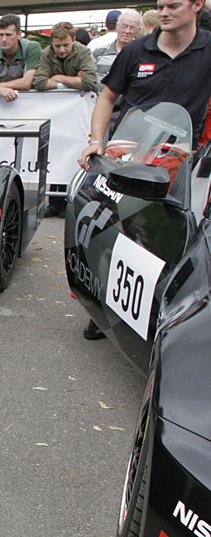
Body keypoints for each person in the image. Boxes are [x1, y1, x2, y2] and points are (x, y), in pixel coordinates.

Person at [76, 0, 211, 339]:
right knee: (119, 231)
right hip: (129, 157)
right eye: (160, 5)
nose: (164, 12)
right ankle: (103, 308)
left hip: (179, 162)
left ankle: (164, 314)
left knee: (167, 237)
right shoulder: (137, 50)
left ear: (197, 6)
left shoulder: (208, 48)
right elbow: (106, 97)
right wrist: (97, 140)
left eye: (174, 5)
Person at [34, 22, 99, 92]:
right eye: (57, 46)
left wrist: (58, 78)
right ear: (52, 42)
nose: (62, 50)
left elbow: (89, 83)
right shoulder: (47, 54)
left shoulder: (83, 52)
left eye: (66, 45)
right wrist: (74, 81)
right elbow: (39, 83)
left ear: (73, 40)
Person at [92, 10, 142, 85]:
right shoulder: (99, 52)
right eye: (124, 26)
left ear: (138, 31)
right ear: (117, 27)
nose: (127, 31)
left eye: (132, 27)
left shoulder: (143, 54)